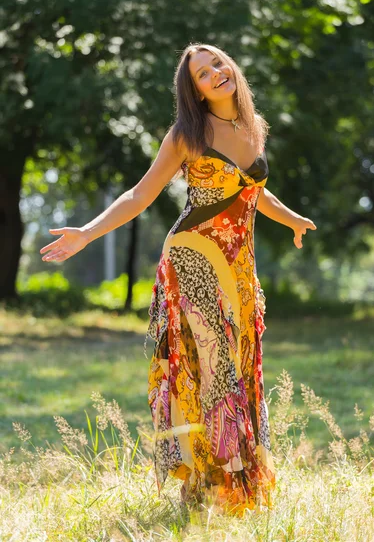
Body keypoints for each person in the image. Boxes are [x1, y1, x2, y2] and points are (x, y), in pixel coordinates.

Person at [40, 42, 316, 516]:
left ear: (231, 67)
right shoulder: (189, 133)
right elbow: (139, 195)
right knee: (215, 370)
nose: (215, 74)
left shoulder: (253, 125)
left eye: (217, 64)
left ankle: (238, 482)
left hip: (239, 265)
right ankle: (218, 487)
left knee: (239, 363)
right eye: (203, 75)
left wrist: (291, 219)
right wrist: (86, 233)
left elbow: (253, 191)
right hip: (193, 258)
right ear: (196, 92)